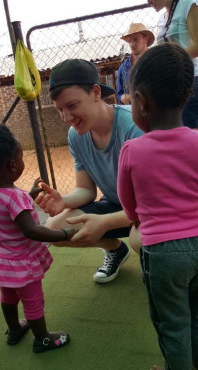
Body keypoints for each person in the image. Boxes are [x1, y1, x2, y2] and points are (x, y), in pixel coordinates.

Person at [117, 42, 198, 370]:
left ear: (139, 101)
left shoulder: (133, 150)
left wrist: (141, 221)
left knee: (172, 321)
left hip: (164, 253)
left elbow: (129, 204)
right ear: (186, 96)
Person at [0, 123, 76, 354]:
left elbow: (9, 208)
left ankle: (14, 329)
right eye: (20, 156)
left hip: (1, 259)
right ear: (13, 164)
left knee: (7, 296)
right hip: (21, 263)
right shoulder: (15, 197)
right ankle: (43, 339)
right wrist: (64, 234)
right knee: (33, 300)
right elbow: (31, 231)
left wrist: (28, 195)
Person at [36, 58, 143, 284]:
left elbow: (153, 204)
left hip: (152, 209)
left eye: (72, 106)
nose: (66, 118)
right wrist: (64, 201)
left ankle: (160, 263)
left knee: (140, 239)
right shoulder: (77, 135)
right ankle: (115, 250)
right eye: (60, 110)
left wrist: (105, 223)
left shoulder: (135, 126)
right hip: (118, 204)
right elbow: (85, 190)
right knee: (55, 228)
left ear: (96, 92)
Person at [137, 0, 198, 129]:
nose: (148, 1)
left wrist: (167, 63)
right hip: (171, 85)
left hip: (192, 81)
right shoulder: (162, 18)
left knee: (189, 137)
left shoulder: (188, 2)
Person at [117, 23, 155, 105]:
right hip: (132, 112)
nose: (132, 44)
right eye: (129, 41)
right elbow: (119, 95)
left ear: (146, 39)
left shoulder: (155, 61)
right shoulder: (123, 68)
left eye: (136, 39)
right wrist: (129, 98)